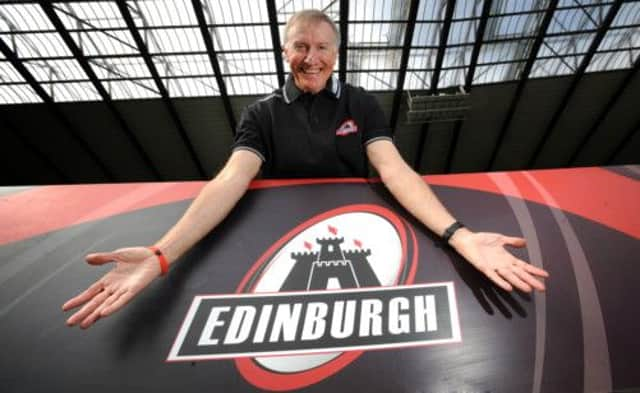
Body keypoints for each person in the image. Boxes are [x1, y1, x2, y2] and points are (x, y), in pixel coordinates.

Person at [62, 10, 548, 329]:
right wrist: (161, 255)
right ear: (284, 50)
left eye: (321, 49)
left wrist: (460, 236)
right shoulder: (261, 114)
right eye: (300, 46)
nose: (310, 59)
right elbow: (231, 180)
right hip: (282, 253)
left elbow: (393, 169)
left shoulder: (361, 103)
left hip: (368, 239)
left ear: (336, 55)